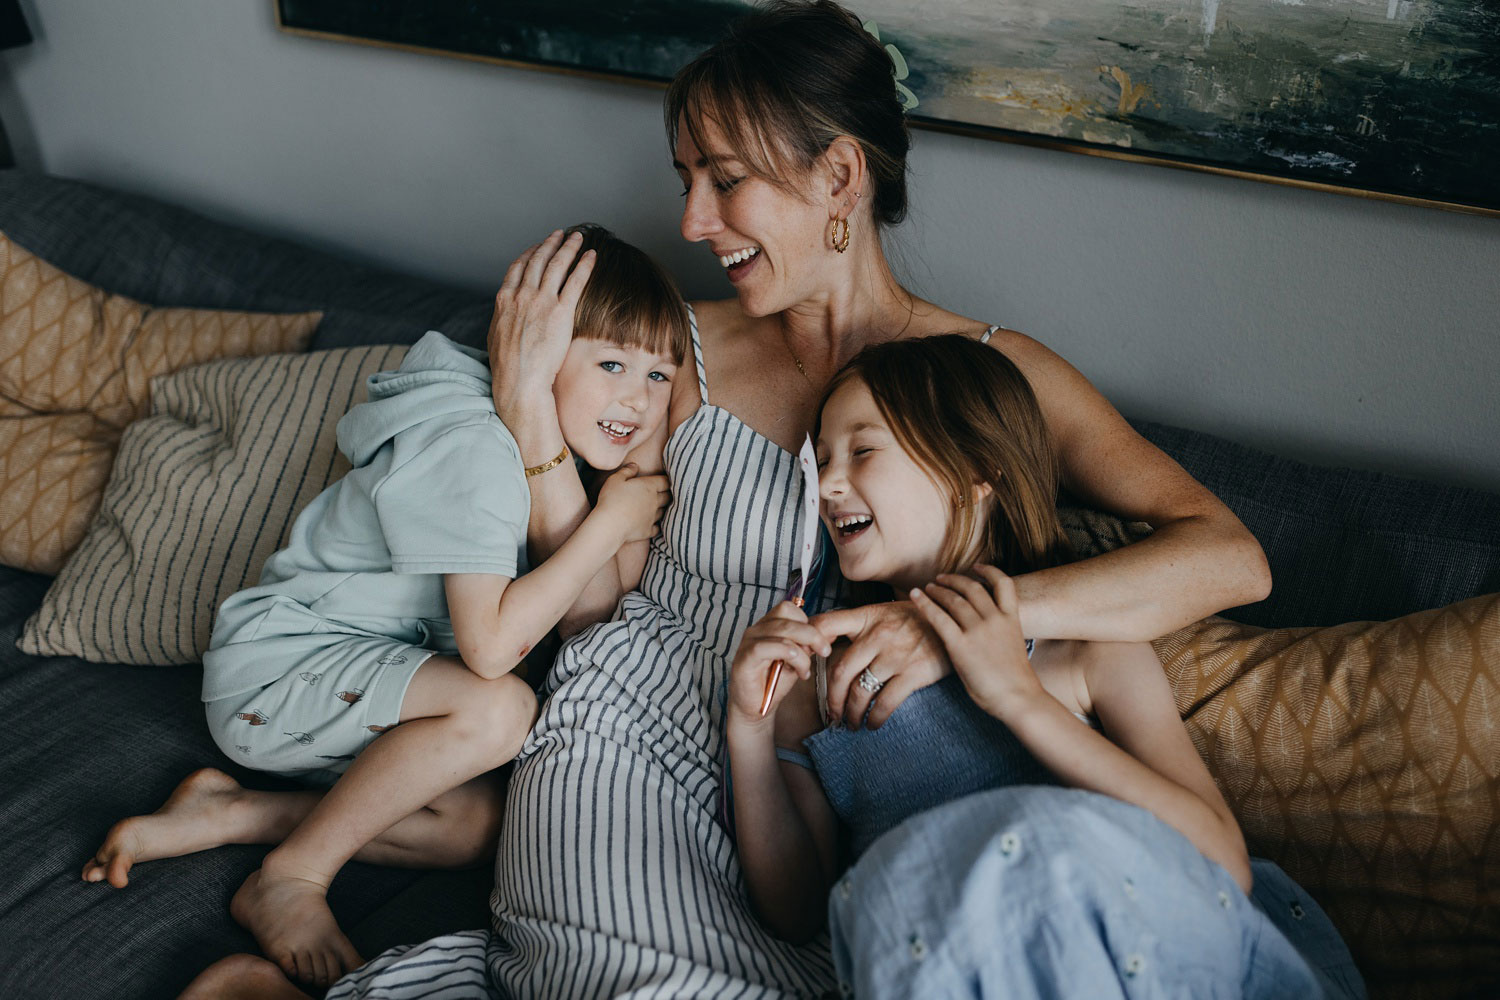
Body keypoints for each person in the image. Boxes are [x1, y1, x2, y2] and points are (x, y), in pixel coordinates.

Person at [183, 2, 1273, 997]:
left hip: (820, 789)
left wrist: (964, 625)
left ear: (839, 176)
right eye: (683, 178)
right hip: (632, 732)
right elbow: (585, 598)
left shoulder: (987, 375)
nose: (694, 219)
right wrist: (527, 411)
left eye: (723, 177)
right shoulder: (677, 350)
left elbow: (1228, 556)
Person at [84, 225, 685, 989]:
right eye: (611, 363)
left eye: (659, 377)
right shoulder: (473, 448)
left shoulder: (556, 452)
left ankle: (232, 811)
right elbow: (492, 649)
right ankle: (293, 874)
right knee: (501, 710)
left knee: (477, 827)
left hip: (364, 688)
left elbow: (604, 620)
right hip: (278, 673)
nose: (636, 399)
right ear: (536, 348)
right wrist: (607, 527)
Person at [726, 335, 1363, 997]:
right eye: (820, 460)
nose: (827, 484)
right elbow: (797, 910)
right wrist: (747, 727)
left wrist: (1018, 700)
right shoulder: (823, 678)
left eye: (862, 450)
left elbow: (1221, 862)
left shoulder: (1088, 646)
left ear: (976, 469)